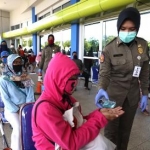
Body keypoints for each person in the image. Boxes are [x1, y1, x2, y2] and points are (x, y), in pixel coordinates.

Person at [32, 52, 124, 150]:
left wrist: (99, 113)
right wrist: (99, 119)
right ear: (57, 78)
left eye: (76, 77)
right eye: (71, 78)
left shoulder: (67, 99)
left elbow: (78, 123)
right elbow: (71, 143)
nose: (75, 82)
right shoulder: (45, 109)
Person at [95, 7, 149, 150]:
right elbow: (104, 74)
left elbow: (144, 71)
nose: (127, 32)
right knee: (111, 133)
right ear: (118, 27)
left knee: (125, 133)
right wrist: (101, 88)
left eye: (132, 29)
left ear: (137, 28)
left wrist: (145, 93)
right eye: (123, 28)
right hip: (112, 97)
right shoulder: (109, 49)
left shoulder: (142, 45)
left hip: (132, 97)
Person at [0, 54, 35, 150]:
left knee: (32, 127)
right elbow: (5, 99)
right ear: (10, 64)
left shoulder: (25, 77)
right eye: (15, 62)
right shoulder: (4, 79)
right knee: (19, 127)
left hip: (25, 108)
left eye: (19, 62)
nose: (17, 64)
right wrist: (17, 109)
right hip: (11, 110)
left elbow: (30, 94)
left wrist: (25, 108)